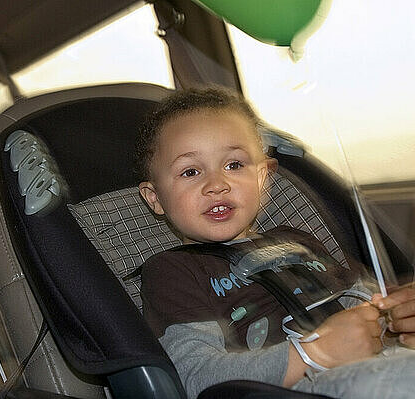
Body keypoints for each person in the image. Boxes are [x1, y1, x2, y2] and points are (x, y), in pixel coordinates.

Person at [136, 87, 415, 399]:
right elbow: (197, 377)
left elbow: (362, 304)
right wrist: (314, 353)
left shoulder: (298, 241)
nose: (216, 184)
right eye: (190, 171)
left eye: (234, 165)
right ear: (155, 198)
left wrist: (395, 323)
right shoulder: (173, 271)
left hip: (372, 367)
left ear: (264, 178)